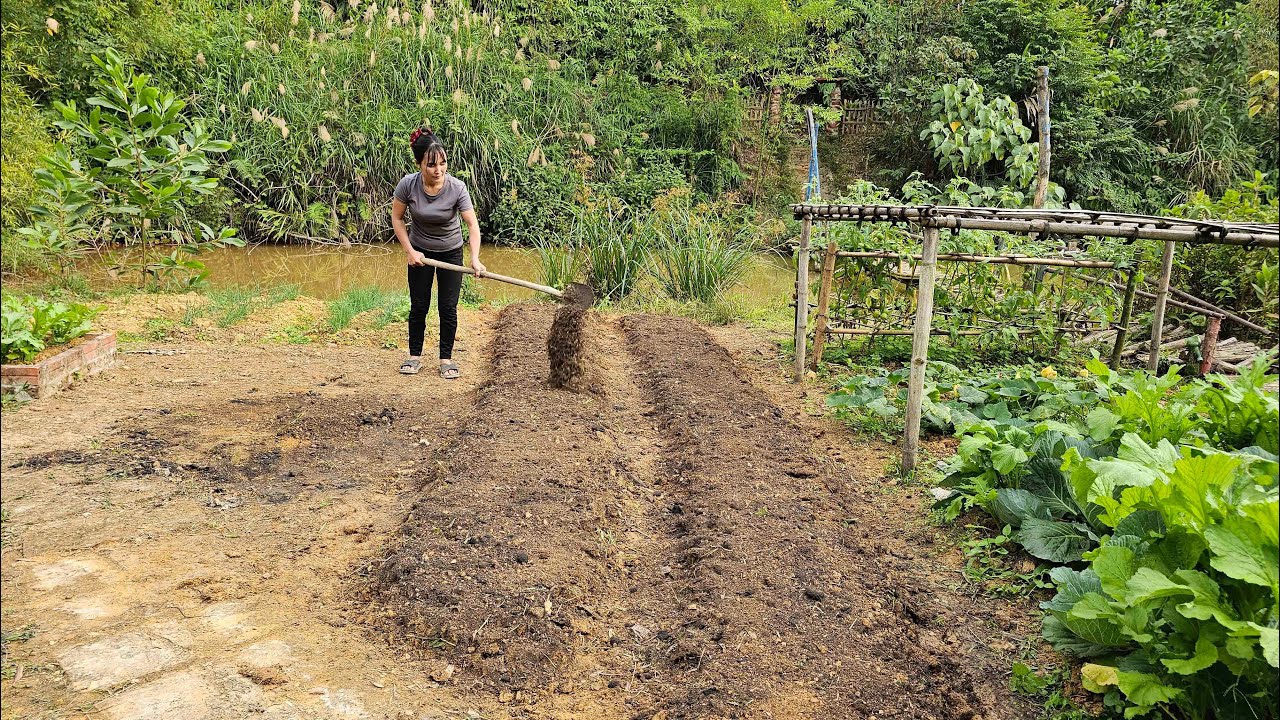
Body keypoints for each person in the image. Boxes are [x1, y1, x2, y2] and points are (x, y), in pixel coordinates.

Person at [391, 128, 487, 379]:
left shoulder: (457, 188)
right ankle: (414, 356)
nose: (439, 170)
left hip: (450, 253)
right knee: (419, 305)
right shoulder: (408, 185)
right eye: (432, 164)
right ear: (419, 163)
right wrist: (410, 251)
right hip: (419, 253)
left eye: (443, 163)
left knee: (448, 307)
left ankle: (446, 359)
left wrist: (474, 258)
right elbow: (397, 218)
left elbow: (472, 225)